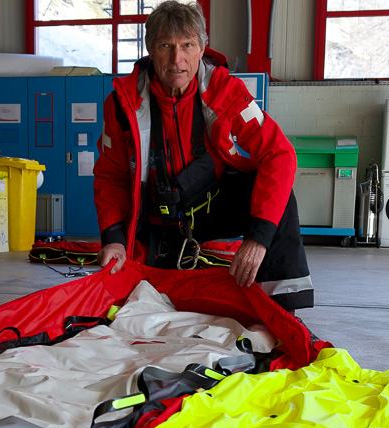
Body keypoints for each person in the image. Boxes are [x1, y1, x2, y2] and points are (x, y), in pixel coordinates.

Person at [93, 0, 313, 312]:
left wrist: (258, 239)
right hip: (155, 222)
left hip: (213, 208)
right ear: (150, 50)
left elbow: (280, 154)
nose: (177, 59)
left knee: (280, 197)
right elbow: (110, 176)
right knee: (133, 310)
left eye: (187, 45)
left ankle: (282, 310)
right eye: (166, 46)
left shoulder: (226, 91)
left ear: (201, 49)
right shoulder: (121, 104)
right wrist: (113, 238)